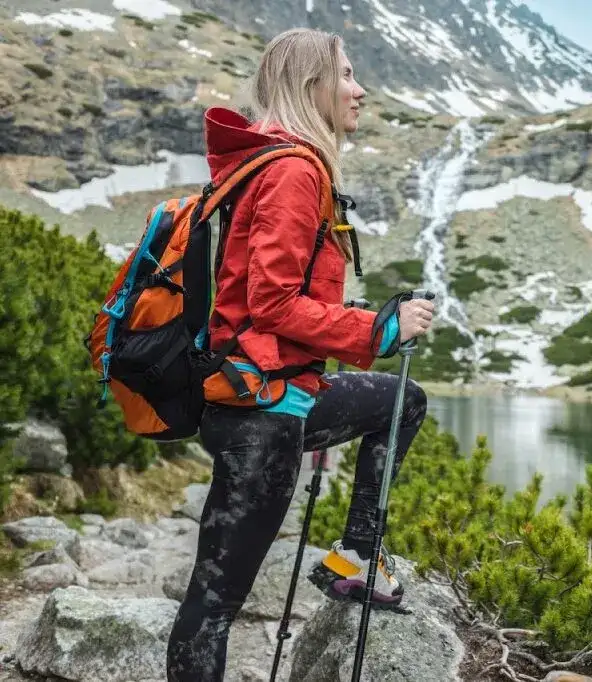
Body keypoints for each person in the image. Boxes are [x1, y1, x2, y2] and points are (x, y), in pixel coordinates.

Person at [166, 27, 435, 681]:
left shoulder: (277, 163)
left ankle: (354, 559)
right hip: (259, 413)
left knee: (402, 401)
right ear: (309, 85)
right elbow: (273, 305)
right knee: (214, 605)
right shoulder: (291, 171)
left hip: (277, 397)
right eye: (345, 74)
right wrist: (380, 331)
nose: (359, 89)